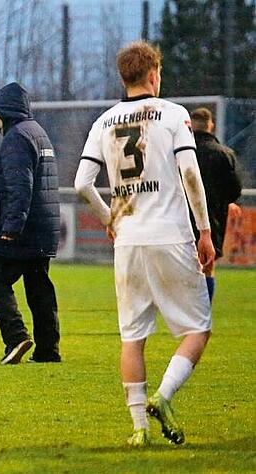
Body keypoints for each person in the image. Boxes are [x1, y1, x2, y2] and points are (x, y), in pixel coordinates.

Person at [74, 41, 214, 447]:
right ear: (154, 74)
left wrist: (111, 220)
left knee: (132, 336)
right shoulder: (173, 114)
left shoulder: (103, 122)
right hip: (171, 234)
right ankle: (163, 395)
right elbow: (190, 174)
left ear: (123, 77)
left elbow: (82, 184)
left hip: (129, 240)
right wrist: (204, 232)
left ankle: (139, 430)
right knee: (197, 329)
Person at [0, 82, 61, 365]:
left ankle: (16, 338)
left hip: (23, 230)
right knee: (39, 286)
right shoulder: (39, 133)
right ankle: (48, 349)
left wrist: (11, 227)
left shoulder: (16, 137)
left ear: (7, 111)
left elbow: (20, 186)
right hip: (43, 229)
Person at [189, 107, 243, 302]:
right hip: (212, 218)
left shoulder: (180, 153)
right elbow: (235, 189)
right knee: (207, 266)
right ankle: (202, 315)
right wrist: (223, 201)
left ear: (190, 127)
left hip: (180, 216)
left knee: (180, 266)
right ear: (211, 125)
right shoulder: (224, 154)